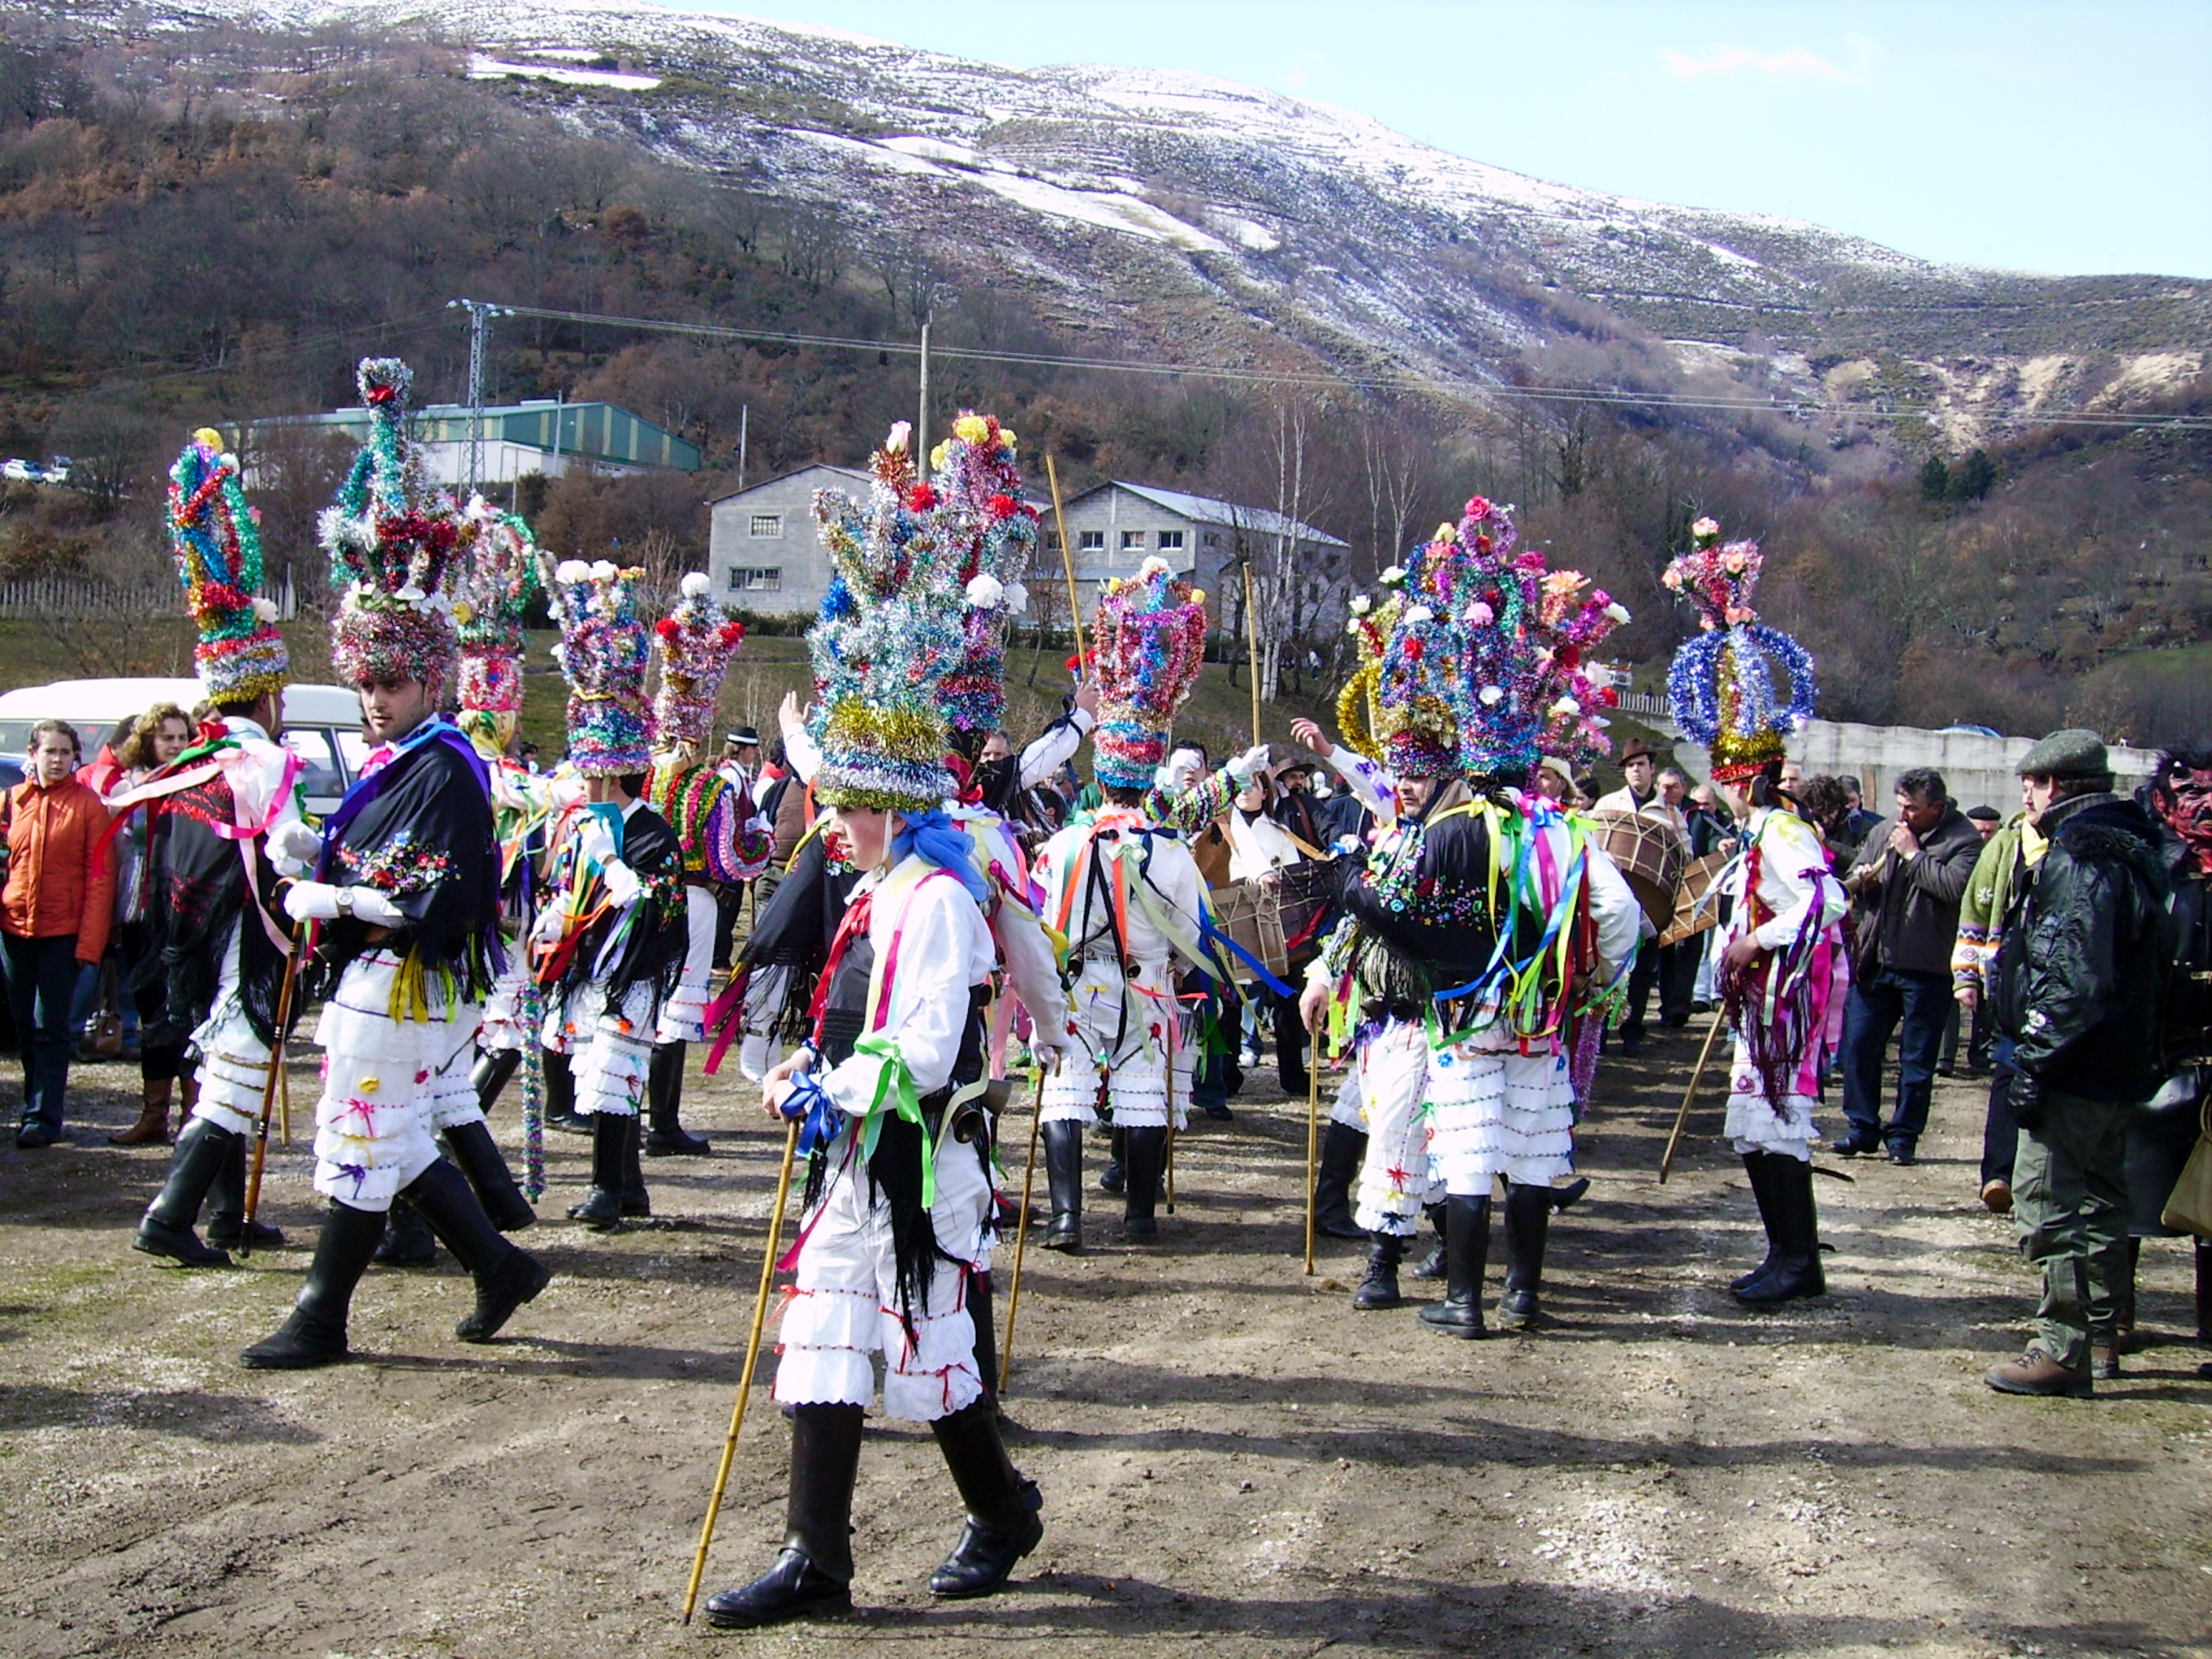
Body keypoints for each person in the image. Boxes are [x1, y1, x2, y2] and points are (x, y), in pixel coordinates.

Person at [704, 415, 1041, 1630]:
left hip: (915, 1152)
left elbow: (923, 1042)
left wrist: (831, 1087)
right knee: (828, 1325)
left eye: (845, 804)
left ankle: (1000, 1508)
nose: (829, 822)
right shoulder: (870, 891)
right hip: (858, 1144)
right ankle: (817, 1554)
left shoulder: (939, 898)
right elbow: (851, 1019)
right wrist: (806, 1060)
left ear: (892, 806)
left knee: (930, 1345)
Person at [240, 357, 546, 1369]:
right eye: (365, 682)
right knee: (395, 1131)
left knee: (361, 1129)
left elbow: (438, 888)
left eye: (392, 682)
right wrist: (311, 850)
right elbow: (379, 852)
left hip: (412, 974)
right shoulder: (401, 756)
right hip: (385, 973)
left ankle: (321, 1317)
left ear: (430, 679)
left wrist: (330, 893)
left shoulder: (446, 762)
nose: (374, 699)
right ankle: (499, 1264)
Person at [127, 434, 315, 1264]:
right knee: (238, 1066)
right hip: (246, 937)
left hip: (187, 934)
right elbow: (289, 852)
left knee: (224, 1066)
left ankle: (227, 1214)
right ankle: (173, 1215)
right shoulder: (264, 759)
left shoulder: (192, 761)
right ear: (267, 694)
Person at [1663, 517, 1843, 1305]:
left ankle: (1798, 1260)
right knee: (1755, 1132)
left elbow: (1825, 900)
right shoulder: (1758, 830)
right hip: (1760, 1003)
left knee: (1774, 1127)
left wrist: (1753, 943)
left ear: (1743, 778)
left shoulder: (1781, 827)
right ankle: (1786, 1253)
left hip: (1782, 1004)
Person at [375, 495, 549, 1269]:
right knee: (429, 1088)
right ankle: (486, 1208)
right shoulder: (437, 762)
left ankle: (438, 1226)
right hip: (429, 955)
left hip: (447, 952)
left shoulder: (465, 768)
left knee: (423, 1090)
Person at [1034, 558, 1227, 1248]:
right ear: (1147, 779)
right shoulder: (1169, 849)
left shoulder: (1064, 842)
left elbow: (1045, 920)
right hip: (1147, 985)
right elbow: (1190, 932)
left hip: (1080, 983)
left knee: (1066, 1089)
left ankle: (1067, 1214)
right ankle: (1139, 1213)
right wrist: (1179, 967)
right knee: (1145, 1093)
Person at [1983, 730, 2169, 1399]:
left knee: (2048, 1205)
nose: (2025, 799)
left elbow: (2073, 976)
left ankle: (2063, 1347)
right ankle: (2103, 1332)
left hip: (2077, 1066)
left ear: (2055, 786)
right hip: (2118, 1061)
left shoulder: (2081, 859)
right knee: (2101, 1199)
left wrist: (2034, 1062)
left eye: (2031, 785)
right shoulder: (2135, 850)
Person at [537, 561, 692, 1229]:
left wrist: (617, 873)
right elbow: (569, 888)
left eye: (597, 776)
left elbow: (660, 903)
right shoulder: (584, 824)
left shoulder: (651, 830)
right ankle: (627, 1186)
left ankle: (609, 1186)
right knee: (598, 1073)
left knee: (613, 1073)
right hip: (589, 969)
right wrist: (556, 915)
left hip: (633, 973)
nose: (588, 786)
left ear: (617, 772)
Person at [643, 573, 763, 1158]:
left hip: (640, 898)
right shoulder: (708, 788)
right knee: (678, 1006)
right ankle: (663, 1123)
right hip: (691, 899)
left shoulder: (643, 780)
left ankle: (635, 1114)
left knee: (641, 1002)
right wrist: (760, 841)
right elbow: (731, 860)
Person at [1831, 767, 1985, 1164]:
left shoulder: (1965, 840)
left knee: (1917, 1061)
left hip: (1928, 966)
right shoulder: (1886, 830)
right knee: (1861, 1047)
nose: (1903, 814)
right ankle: (1862, 1126)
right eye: (1899, 805)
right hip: (1877, 959)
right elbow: (1856, 875)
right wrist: (1863, 879)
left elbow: (1954, 889)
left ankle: (1904, 1136)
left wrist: (1914, 855)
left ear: (1937, 807)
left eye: (1912, 808)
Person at [3, 719, 115, 1146]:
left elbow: (100, 878)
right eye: (49, 751)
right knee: (23, 1026)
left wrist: (90, 943)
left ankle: (43, 1117)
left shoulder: (88, 806)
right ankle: (32, 1105)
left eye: (65, 752)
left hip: (62, 930)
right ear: (33, 754)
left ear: (75, 757)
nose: (57, 760)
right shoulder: (12, 801)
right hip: (14, 928)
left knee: (50, 1026)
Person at [2137, 747, 2212, 1354]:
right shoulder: (2145, 867)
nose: (2205, 806)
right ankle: (2107, 1330)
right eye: (2191, 792)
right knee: (2123, 1200)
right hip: (2149, 1060)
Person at [104, 701, 194, 1146]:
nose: (176, 745)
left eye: (182, 737)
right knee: (152, 1014)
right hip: (138, 911)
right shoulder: (128, 787)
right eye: (167, 738)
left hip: (185, 913)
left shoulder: (198, 783)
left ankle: (193, 1115)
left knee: (186, 1013)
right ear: (148, 742)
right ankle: (153, 1114)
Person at [1951, 782, 2040, 1214]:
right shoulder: (2006, 845)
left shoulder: (2072, 845)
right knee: (2006, 1074)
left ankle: (2039, 1181)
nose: (2028, 798)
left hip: (2055, 984)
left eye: (2037, 788)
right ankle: (1998, 1174)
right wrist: (1966, 976)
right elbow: (1975, 908)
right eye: (2024, 788)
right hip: (2006, 983)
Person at [1595, 738, 1692, 1050]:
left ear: (1652, 769)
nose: (1635, 770)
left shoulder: (1671, 814)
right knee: (1604, 966)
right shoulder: (1608, 804)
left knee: (1642, 972)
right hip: (1611, 902)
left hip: (1650, 908)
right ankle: (1598, 1031)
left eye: (1641, 764)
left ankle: (1633, 1032)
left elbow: (1685, 856)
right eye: (1630, 766)